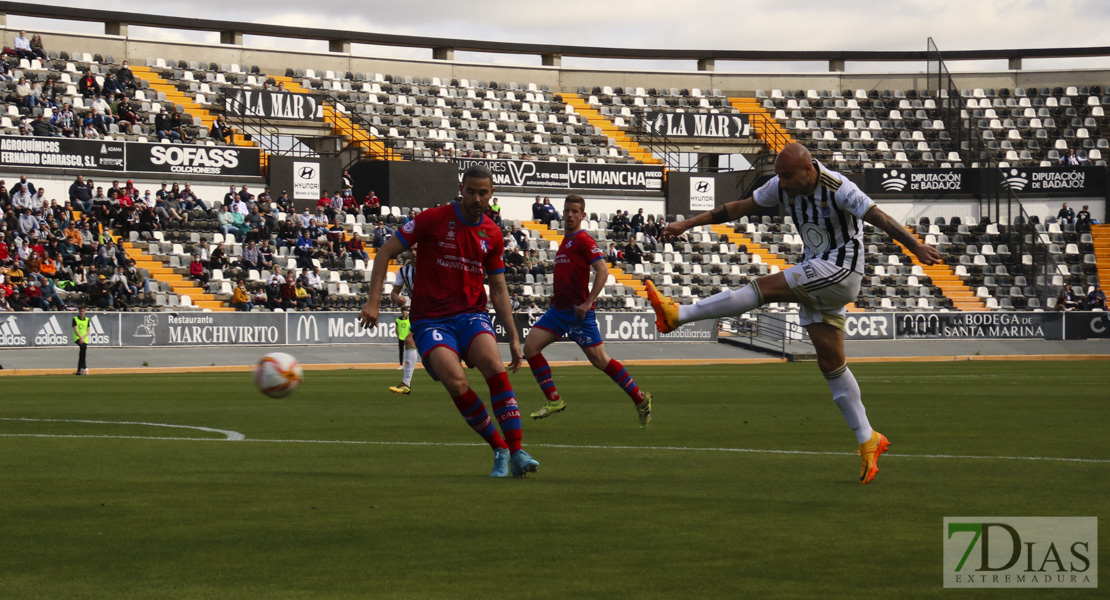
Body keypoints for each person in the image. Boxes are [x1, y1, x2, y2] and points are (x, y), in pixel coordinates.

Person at [645, 142, 941, 485]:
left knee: (763, 288)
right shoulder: (781, 185)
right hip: (817, 272)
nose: (782, 184)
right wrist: (688, 223)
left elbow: (880, 217)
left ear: (808, 169)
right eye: (779, 177)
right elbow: (740, 207)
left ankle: (678, 314)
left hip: (842, 271)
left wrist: (915, 245)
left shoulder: (839, 188)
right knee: (831, 363)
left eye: (787, 176)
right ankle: (868, 439)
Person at [358, 165, 539, 478]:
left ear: (492, 193)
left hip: (471, 315)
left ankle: (518, 451)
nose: (477, 198)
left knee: (494, 368)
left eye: (483, 193)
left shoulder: (493, 233)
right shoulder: (433, 219)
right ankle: (499, 448)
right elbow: (385, 252)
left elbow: (498, 288)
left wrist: (512, 336)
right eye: (471, 191)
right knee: (457, 382)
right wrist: (373, 301)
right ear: (461, 189)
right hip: (430, 320)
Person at [524, 194, 653, 426]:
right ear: (562, 213)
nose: (570, 215)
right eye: (567, 211)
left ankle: (640, 399)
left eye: (575, 211)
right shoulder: (566, 240)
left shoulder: (584, 240)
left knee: (601, 361)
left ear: (582, 215)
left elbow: (603, 271)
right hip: (559, 310)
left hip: (578, 313)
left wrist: (588, 301)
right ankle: (553, 400)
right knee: (531, 348)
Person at [388, 251, 418, 394]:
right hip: (421, 312)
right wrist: (396, 297)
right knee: (409, 340)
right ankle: (406, 383)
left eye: (417, 249)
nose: (414, 253)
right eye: (411, 249)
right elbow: (394, 293)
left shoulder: (433, 265)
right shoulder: (404, 271)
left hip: (439, 310)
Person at [73, 306, 90, 375]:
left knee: (83, 352)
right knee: (82, 349)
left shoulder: (87, 319)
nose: (81, 313)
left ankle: (80, 369)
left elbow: (88, 331)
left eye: (83, 311)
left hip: (84, 339)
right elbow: (75, 329)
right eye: (80, 311)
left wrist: (83, 337)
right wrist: (80, 337)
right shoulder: (75, 319)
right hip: (77, 338)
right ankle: (83, 366)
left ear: (85, 311)